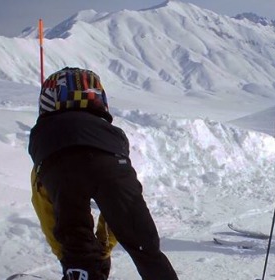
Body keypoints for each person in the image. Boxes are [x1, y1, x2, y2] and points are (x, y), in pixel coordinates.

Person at [28, 67, 178, 280]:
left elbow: (42, 200)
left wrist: (68, 255)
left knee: (77, 249)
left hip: (59, 169)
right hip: (114, 167)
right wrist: (104, 246)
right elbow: (118, 198)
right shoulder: (112, 134)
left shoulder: (42, 134)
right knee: (146, 252)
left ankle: (81, 270)